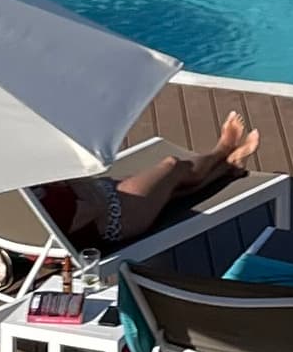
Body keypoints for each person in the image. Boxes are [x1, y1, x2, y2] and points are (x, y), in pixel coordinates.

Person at [32, 109, 263, 254]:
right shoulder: (52, 212)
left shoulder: (18, 196)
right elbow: (95, 207)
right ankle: (222, 150)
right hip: (118, 214)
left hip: (107, 197)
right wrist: (73, 177)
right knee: (172, 167)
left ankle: (228, 168)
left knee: (171, 191)